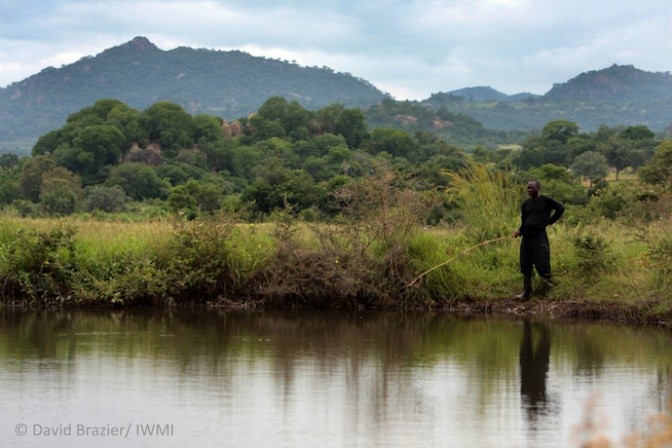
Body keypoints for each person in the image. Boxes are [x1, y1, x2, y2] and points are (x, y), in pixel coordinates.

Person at [512, 180, 564, 300]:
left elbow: (560, 209)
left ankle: (548, 291)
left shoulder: (546, 201)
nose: (530, 190)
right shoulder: (526, 204)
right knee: (525, 264)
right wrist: (519, 231)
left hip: (539, 237)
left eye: (532, 188)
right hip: (526, 238)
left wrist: (550, 221)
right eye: (528, 188)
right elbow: (524, 221)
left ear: (538, 188)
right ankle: (526, 293)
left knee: (543, 264)